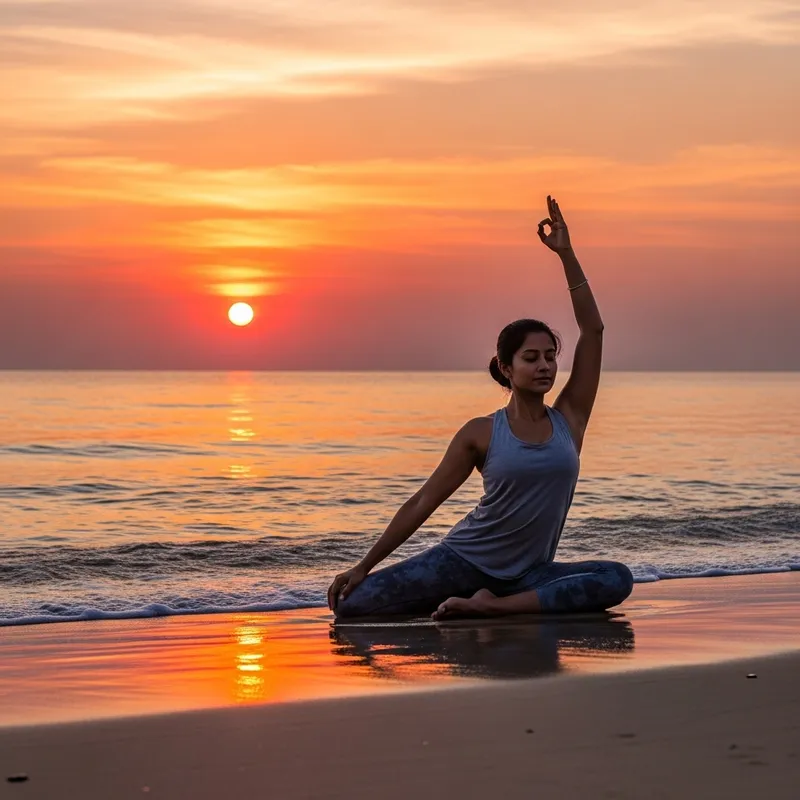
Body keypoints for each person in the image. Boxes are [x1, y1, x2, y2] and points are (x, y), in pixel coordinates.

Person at [327, 196, 634, 621]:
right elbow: (423, 502)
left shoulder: (570, 420)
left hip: (530, 575)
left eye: (550, 355)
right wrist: (364, 565)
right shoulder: (481, 433)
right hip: (462, 562)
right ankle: (483, 603)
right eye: (531, 357)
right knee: (352, 606)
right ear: (507, 368)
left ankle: (493, 607)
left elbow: (593, 329)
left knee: (616, 578)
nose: (544, 365)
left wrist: (567, 254)